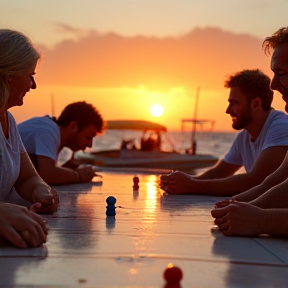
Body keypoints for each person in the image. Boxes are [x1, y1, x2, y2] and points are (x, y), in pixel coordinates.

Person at [160, 69, 288, 196]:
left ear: (255, 104)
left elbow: (256, 181)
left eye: (235, 103)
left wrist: (192, 185)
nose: (228, 110)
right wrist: (183, 182)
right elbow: (219, 173)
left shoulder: (281, 127)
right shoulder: (243, 137)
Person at [212, 26, 288, 237]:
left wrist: (260, 219)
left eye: (281, 74)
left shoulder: (281, 126)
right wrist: (235, 206)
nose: (273, 85)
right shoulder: (243, 137)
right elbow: (277, 183)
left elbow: (258, 178)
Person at [0, 29, 58, 246]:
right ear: (9, 76)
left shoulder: (8, 121)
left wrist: (40, 190)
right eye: (30, 76)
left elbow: (27, 178)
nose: (33, 86)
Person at [18, 101, 105, 185]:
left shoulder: (50, 130)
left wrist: (65, 170)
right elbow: (47, 175)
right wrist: (78, 175)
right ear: (73, 126)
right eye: (88, 138)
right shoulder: (47, 131)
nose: (90, 145)